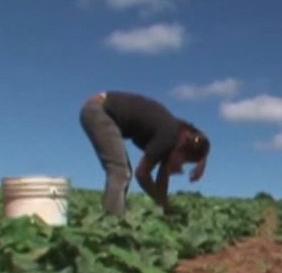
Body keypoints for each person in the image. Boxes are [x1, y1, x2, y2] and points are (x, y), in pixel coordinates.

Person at [80, 91, 210, 216]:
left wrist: (203, 161)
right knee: (120, 171)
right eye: (185, 160)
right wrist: (162, 202)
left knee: (123, 172)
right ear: (183, 149)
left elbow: (162, 180)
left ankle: (116, 215)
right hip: (100, 110)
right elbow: (142, 174)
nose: (182, 164)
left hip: (101, 108)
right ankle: (111, 221)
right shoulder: (168, 137)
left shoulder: (177, 135)